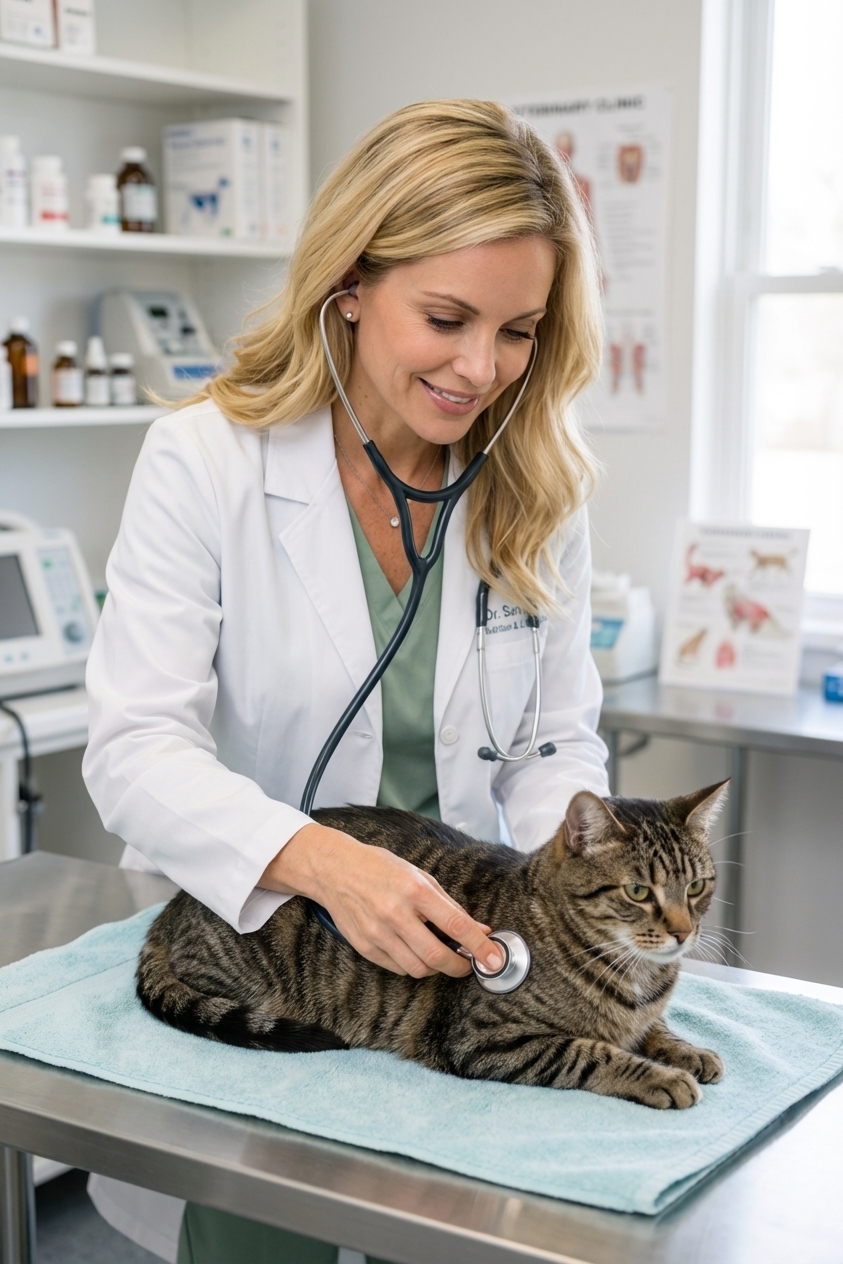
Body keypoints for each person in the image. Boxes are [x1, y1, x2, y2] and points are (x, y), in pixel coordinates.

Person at [83, 99, 610, 1264]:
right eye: (447, 316)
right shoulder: (207, 460)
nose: (482, 367)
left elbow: (555, 747)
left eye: (519, 330)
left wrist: (568, 893)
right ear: (352, 282)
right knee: (260, 1236)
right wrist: (328, 865)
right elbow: (133, 752)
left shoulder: (537, 485)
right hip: (268, 954)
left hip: (457, 983)